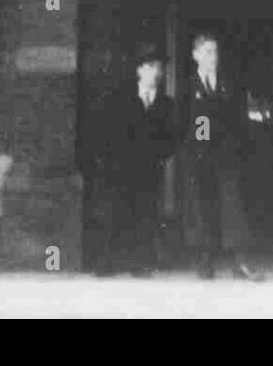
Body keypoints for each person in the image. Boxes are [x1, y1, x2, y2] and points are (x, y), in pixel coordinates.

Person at [178, 31, 263, 281]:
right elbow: (182, 123)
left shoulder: (229, 82)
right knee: (202, 206)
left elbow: (239, 119)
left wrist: (236, 147)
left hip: (225, 156)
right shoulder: (187, 85)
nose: (212, 57)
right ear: (195, 56)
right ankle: (205, 261)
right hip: (198, 156)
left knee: (233, 206)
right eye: (207, 52)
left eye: (215, 52)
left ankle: (240, 262)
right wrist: (191, 150)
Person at [97, 42, 178, 277]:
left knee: (146, 216)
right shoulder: (120, 100)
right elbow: (108, 132)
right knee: (117, 214)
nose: (156, 72)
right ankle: (108, 263)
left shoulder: (166, 105)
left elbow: (171, 138)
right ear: (139, 70)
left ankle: (139, 264)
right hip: (121, 168)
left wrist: (158, 156)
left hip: (149, 169)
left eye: (159, 67)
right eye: (151, 66)